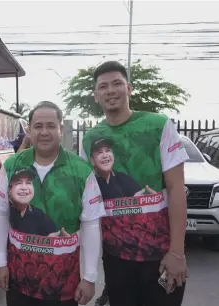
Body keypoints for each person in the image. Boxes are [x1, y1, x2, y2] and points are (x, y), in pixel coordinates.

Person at [82, 61, 189, 306]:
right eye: (103, 86)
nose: (111, 90)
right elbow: (90, 200)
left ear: (129, 88)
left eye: (117, 83)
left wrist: (177, 252)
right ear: (96, 95)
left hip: (160, 256)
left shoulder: (158, 125)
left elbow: (176, 189)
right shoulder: (90, 139)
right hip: (117, 259)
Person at [0, 101, 106, 306]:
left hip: (63, 287)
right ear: (29, 129)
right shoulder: (11, 165)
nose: (44, 132)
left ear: (60, 129)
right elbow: (0, 214)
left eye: (51, 126)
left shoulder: (81, 170)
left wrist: (89, 277)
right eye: (38, 126)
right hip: (19, 283)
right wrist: (0, 263)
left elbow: (90, 224)